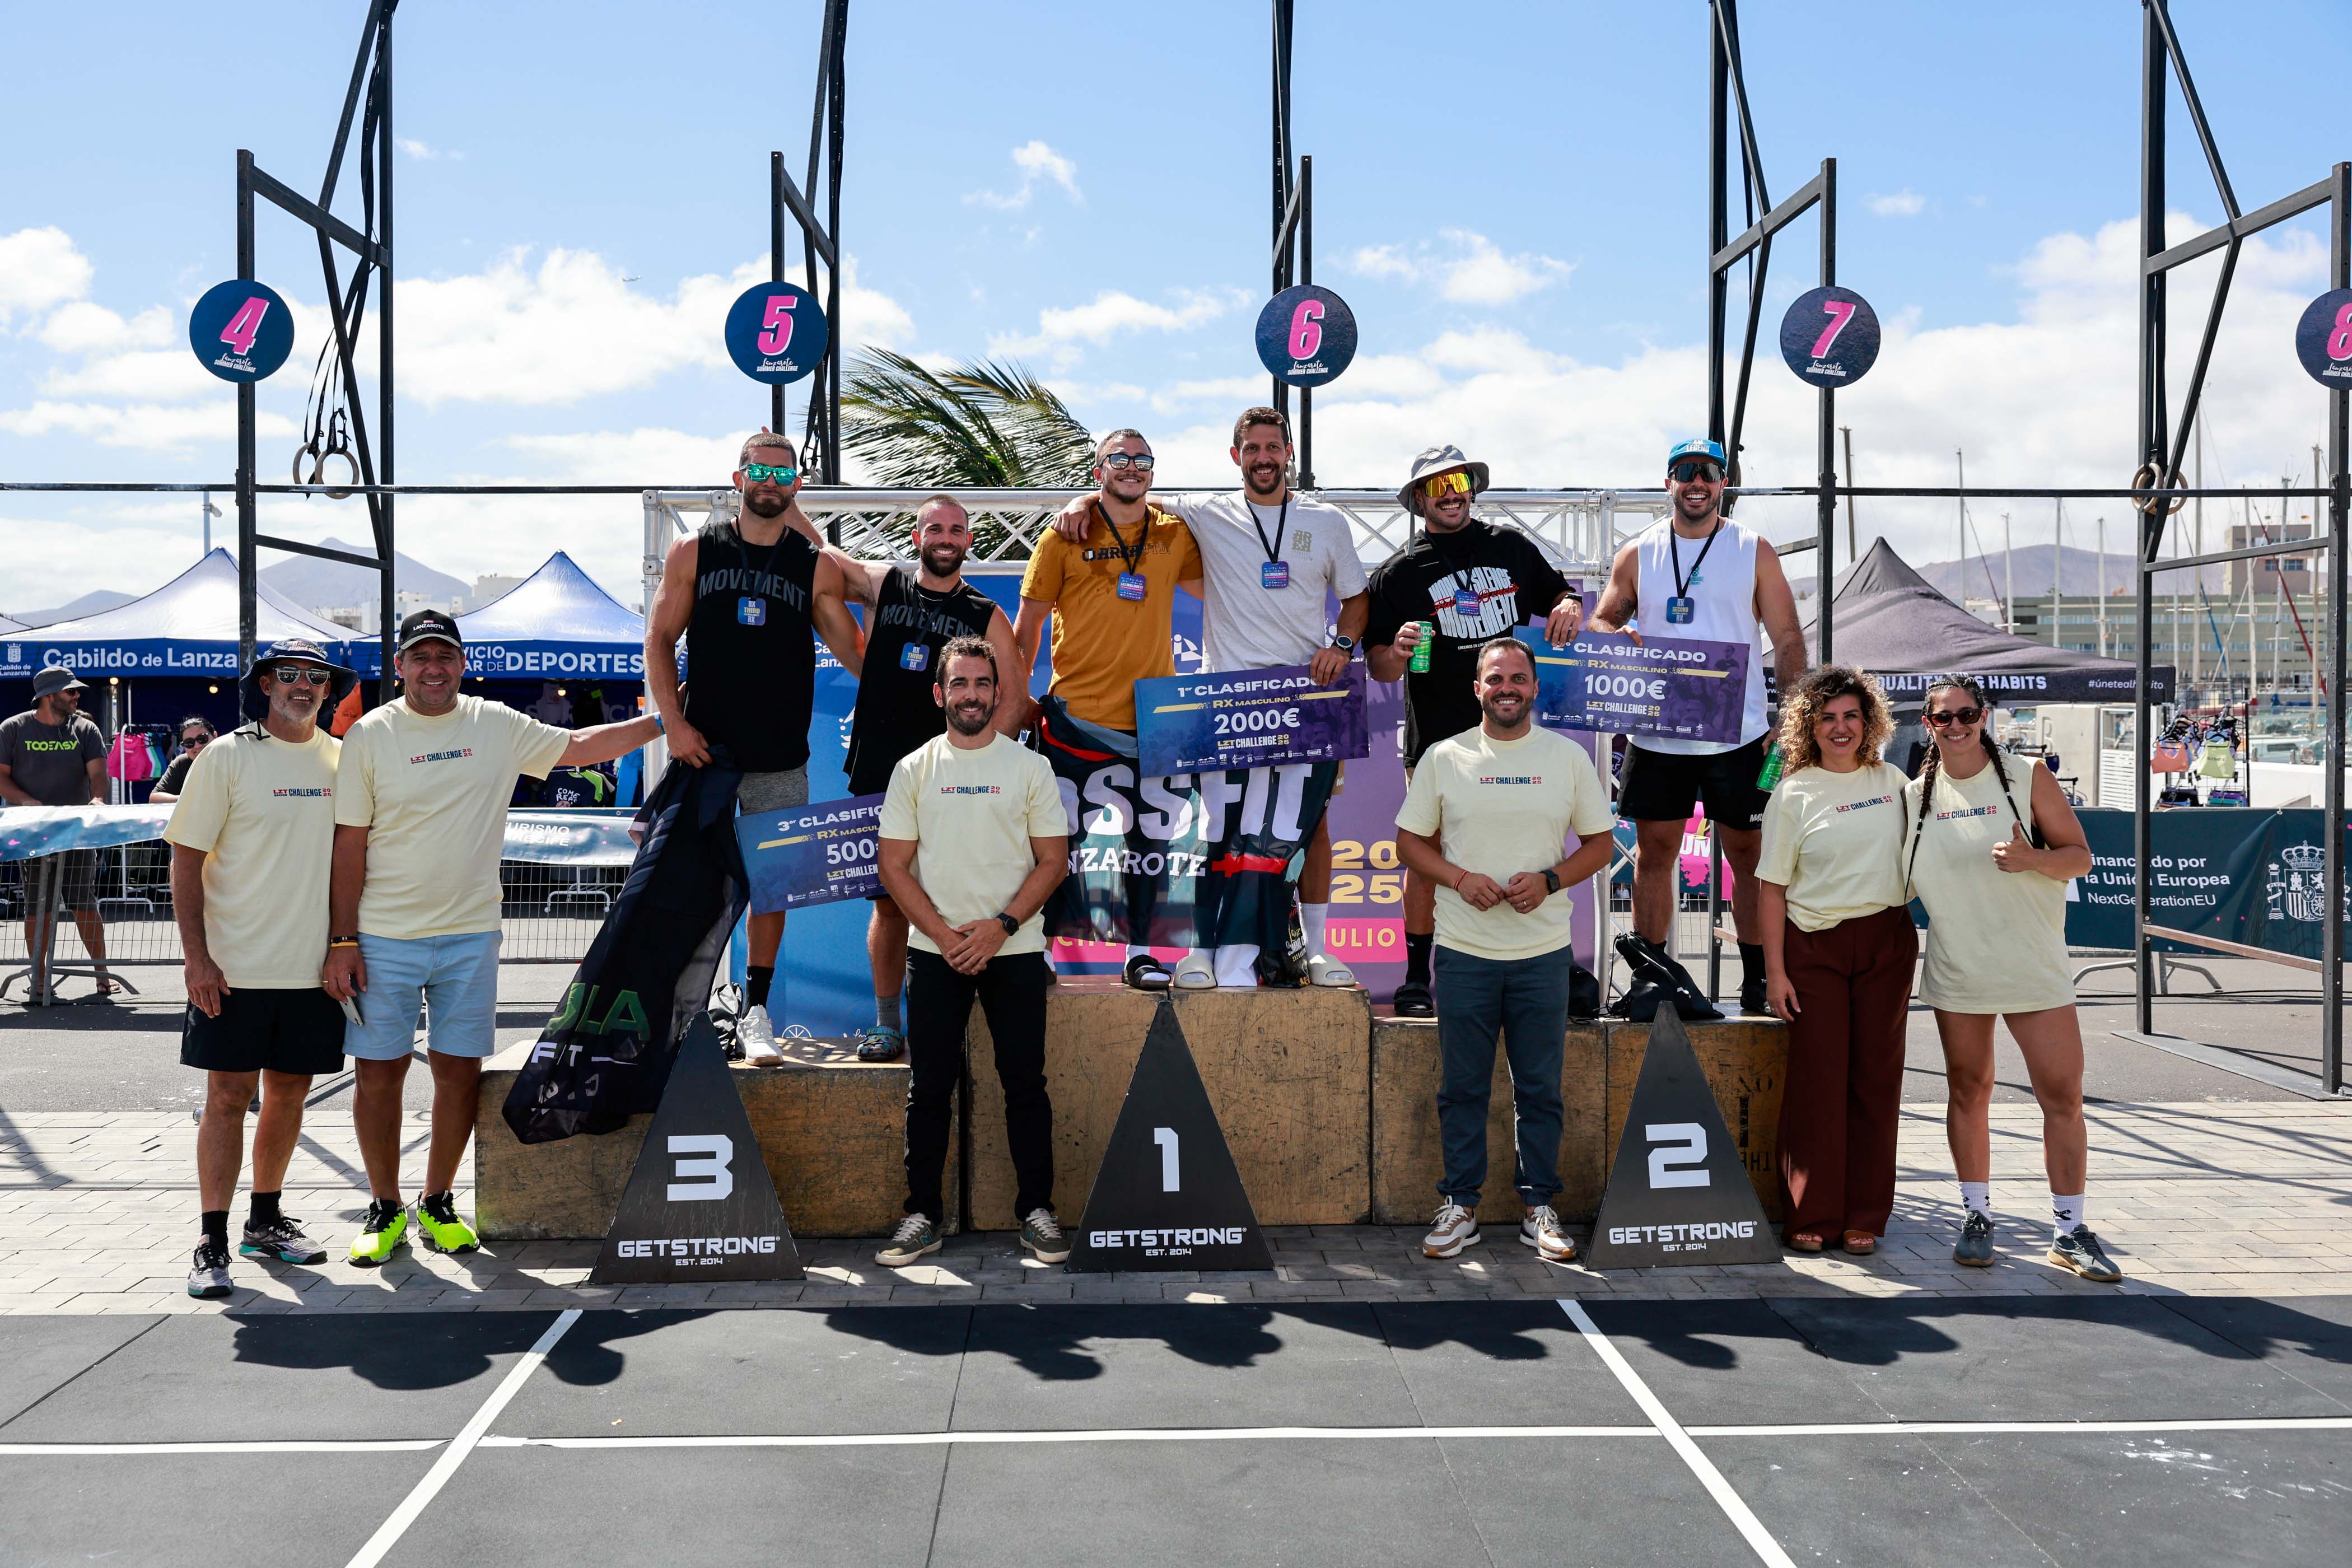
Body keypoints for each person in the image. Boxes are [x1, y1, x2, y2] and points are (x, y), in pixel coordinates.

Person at [325, 610, 663, 1266]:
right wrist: (342, 939)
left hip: (471, 933)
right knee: (379, 1074)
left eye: (444, 656)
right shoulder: (370, 733)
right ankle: (385, 1206)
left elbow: (580, 747)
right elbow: (349, 843)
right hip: (384, 934)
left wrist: (664, 721)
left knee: (459, 1074)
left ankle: (438, 1201)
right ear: (400, 666)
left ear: (461, 663)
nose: (433, 669)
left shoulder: (494, 723)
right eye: (421, 657)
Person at [1051, 407, 1371, 990]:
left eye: (1273, 447)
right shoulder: (1206, 511)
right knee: (1208, 829)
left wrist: (1344, 646)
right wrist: (1081, 501)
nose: (1264, 458)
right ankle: (1198, 951)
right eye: (1252, 449)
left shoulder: (1326, 521)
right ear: (1235, 457)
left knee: (1313, 826)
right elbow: (1129, 494)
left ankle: (1318, 951)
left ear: (1289, 453)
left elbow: (1357, 597)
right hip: (1226, 698)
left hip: (1305, 697)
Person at [645, 431, 866, 1063]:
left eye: (783, 473)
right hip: (703, 754)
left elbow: (858, 655)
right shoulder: (694, 550)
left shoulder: (815, 565)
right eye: (760, 471)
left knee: (774, 889)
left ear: (797, 485)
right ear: (738, 478)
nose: (771, 482)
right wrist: (673, 723)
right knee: (687, 884)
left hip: (779, 758)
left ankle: (756, 1011)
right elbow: (659, 639)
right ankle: (674, 1010)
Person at [1394, 638, 1616, 1264]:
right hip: (1464, 952)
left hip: (1543, 953)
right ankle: (1460, 1206)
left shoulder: (1567, 757)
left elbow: (1601, 845)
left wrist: (1550, 880)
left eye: (1518, 678)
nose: (1507, 688)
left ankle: (1538, 1207)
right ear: (1477, 688)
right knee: (1462, 1089)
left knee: (1540, 1090)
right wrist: (1460, 879)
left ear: (1535, 688)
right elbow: (1410, 843)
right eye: (1496, 679)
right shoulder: (1445, 756)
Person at [1905, 675, 2118, 1282]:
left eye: (1966, 714)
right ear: (1928, 724)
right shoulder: (1913, 795)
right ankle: (1976, 1216)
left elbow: (2080, 858)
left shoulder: (2029, 777)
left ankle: (2070, 1230)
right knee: (1969, 1091)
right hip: (1960, 969)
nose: (1956, 726)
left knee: (2062, 1096)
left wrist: (2032, 860)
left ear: (1984, 716)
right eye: (1943, 717)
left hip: (2033, 967)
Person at [1587, 437, 1808, 1018]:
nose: (1697, 482)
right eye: (1685, 471)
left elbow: (1787, 637)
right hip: (1658, 730)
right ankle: (1652, 977)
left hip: (1739, 732)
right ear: (1668, 483)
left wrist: (1791, 717)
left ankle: (1758, 979)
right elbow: (1603, 620)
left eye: (1709, 472)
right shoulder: (1638, 552)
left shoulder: (1752, 549)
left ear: (1723, 484)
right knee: (1654, 853)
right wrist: (1614, 635)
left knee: (1750, 855)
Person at [1367, 447, 1585, 1019]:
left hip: (1512, 734)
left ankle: (1542, 962)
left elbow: (1561, 593)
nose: (1451, 493)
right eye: (1437, 485)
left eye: (1459, 481)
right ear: (1419, 499)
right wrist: (1396, 651)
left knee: (1528, 842)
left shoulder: (1509, 546)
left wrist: (1569, 604)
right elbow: (1379, 668)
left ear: (1473, 488)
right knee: (1427, 855)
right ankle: (1417, 977)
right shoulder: (1398, 572)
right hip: (1438, 739)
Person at [165, 640, 354, 1298]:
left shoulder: (344, 759)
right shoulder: (225, 756)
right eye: (290, 675)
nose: (304, 685)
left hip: (312, 970)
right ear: (267, 684)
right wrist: (196, 957)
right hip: (233, 970)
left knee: (290, 1095)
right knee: (227, 1098)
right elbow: (185, 858)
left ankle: (264, 1222)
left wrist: (344, 944)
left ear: (329, 689)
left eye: (316, 676)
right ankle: (210, 1241)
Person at [874, 637, 1070, 1267]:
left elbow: (1054, 861)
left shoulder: (1030, 768)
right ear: (940, 694)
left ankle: (1037, 1212)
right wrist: (943, 935)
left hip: (1015, 948)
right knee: (929, 1087)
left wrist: (1001, 928)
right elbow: (893, 867)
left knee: (1026, 1086)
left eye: (983, 683)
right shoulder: (913, 769)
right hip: (937, 953)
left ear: (998, 692)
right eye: (959, 683)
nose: (971, 695)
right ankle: (922, 1216)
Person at [1012, 428, 1204, 990]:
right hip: (1077, 718)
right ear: (1097, 471)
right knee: (1056, 843)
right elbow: (1028, 626)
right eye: (1118, 458)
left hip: (1153, 721)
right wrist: (1019, 697)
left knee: (1150, 847)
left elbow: (1225, 585)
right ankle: (1038, 950)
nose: (1131, 466)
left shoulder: (1174, 533)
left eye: (1142, 459)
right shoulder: (1063, 535)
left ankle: (1140, 955)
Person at [836, 494, 1024, 1062]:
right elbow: (820, 553)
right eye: (935, 528)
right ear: (917, 537)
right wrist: (788, 490)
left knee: (959, 896)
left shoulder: (987, 613)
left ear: (970, 541)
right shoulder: (884, 584)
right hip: (879, 770)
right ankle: (887, 1024)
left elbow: (1014, 698)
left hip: (948, 778)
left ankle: (953, 1030)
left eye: (957, 530)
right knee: (891, 905)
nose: (946, 538)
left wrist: (981, 765)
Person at [1755, 665, 1912, 1257]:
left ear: (1870, 723)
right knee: (1818, 1081)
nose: (1840, 727)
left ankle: (1864, 1214)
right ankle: (1812, 1213)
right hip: (1814, 947)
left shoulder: (1895, 782)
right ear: (1809, 726)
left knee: (1876, 1080)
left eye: (1851, 716)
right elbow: (1771, 887)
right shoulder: (1794, 792)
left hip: (1887, 942)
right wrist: (1776, 972)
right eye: (1827, 718)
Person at [0, 665, 114, 1000]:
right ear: (49, 696)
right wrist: (27, 801)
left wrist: (97, 800)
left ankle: (102, 974)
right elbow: (1, 776)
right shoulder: (13, 728)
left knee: (83, 902)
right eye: (70, 691)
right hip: (32, 832)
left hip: (77, 831)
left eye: (77, 691)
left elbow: (99, 775)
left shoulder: (86, 728)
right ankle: (39, 979)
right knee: (39, 905)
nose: (77, 695)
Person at [147, 716, 218, 803]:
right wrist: (191, 799)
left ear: (215, 736)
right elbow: (155, 798)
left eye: (202, 739)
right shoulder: (182, 763)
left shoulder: (230, 758)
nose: (197, 746)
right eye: (189, 743)